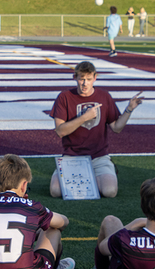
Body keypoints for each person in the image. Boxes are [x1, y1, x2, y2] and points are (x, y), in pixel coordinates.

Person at [49, 61, 144, 198]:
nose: (85, 83)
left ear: (95, 77)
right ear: (74, 77)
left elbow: (116, 128)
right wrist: (84, 117)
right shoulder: (64, 97)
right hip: (72, 156)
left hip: (99, 157)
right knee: (55, 191)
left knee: (110, 191)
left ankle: (91, 175)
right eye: (81, 78)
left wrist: (129, 109)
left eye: (88, 79)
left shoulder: (104, 96)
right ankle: (87, 177)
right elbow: (60, 131)